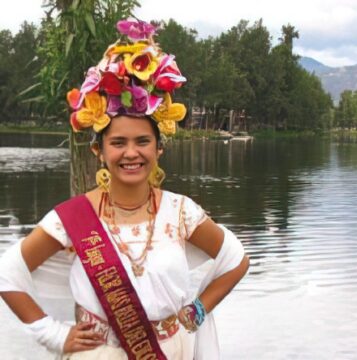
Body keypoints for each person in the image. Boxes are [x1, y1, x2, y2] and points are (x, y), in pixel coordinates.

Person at [0, 19, 249, 360]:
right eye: (117, 142)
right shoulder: (71, 219)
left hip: (172, 349)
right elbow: (7, 275)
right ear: (98, 151)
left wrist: (198, 312)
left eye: (143, 141)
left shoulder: (181, 211)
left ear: (158, 149)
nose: (131, 153)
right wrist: (54, 335)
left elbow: (235, 260)